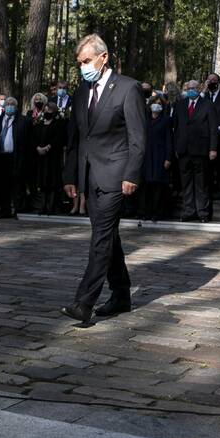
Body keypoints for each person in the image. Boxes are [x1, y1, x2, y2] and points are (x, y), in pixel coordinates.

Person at [60, 34, 146, 326]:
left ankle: (84, 302)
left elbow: (137, 137)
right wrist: (70, 176)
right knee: (109, 238)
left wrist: (131, 174)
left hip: (115, 176)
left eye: (86, 61)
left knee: (100, 240)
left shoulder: (128, 88)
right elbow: (75, 138)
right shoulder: (81, 92)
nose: (83, 67)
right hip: (88, 176)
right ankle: (122, 295)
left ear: (103, 57)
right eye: (80, 63)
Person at [172, 80, 217, 222]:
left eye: (193, 88)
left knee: (201, 183)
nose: (191, 90)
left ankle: (203, 213)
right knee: (186, 184)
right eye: (188, 88)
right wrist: (176, 147)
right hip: (184, 150)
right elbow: (175, 128)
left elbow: (213, 129)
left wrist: (213, 149)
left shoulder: (208, 105)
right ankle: (188, 211)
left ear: (199, 89)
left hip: (201, 150)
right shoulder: (180, 105)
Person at [0, 96, 29, 217]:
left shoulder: (23, 121)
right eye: (7, 104)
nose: (9, 106)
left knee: (17, 185)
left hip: (16, 156)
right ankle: (5, 209)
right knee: (3, 185)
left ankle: (17, 209)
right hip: (1, 157)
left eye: (12, 104)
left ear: (16, 107)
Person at [140, 94, 173, 222]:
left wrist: (168, 158)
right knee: (146, 186)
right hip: (146, 156)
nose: (157, 105)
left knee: (158, 186)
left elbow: (169, 140)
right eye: (155, 103)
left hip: (160, 157)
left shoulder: (166, 120)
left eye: (160, 104)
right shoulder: (144, 120)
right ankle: (145, 212)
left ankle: (157, 213)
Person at [30, 101, 66, 215]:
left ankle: (52, 206)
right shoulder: (39, 124)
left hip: (53, 158)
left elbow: (59, 138)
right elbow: (33, 138)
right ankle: (42, 206)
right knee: (42, 182)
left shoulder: (58, 124)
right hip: (41, 158)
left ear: (54, 112)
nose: (46, 112)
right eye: (45, 110)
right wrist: (38, 148)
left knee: (52, 181)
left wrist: (48, 147)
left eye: (49, 110)